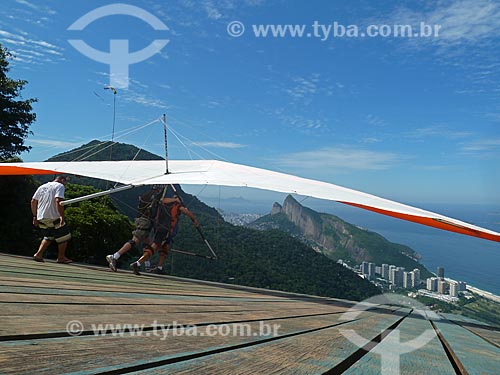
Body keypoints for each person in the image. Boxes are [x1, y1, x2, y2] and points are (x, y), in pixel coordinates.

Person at [130, 194, 199, 275]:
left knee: (165, 247)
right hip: (165, 229)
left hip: (161, 228)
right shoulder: (175, 204)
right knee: (155, 246)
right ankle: (137, 263)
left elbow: (163, 200)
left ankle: (159, 267)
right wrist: (194, 220)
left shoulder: (165, 202)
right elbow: (185, 211)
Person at [105, 185, 163, 271]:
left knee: (146, 242)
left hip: (139, 219)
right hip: (145, 221)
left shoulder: (146, 195)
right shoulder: (154, 197)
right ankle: (114, 256)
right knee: (134, 240)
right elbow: (157, 205)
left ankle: (147, 265)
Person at [31, 176, 72, 263]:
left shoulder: (42, 186)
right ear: (62, 180)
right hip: (53, 216)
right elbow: (58, 200)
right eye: (65, 182)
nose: (65, 185)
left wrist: (35, 216)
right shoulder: (59, 186)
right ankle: (61, 257)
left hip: (41, 217)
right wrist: (62, 216)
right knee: (64, 236)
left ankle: (38, 254)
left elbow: (33, 201)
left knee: (48, 236)